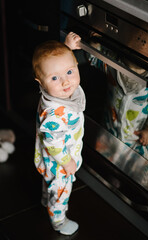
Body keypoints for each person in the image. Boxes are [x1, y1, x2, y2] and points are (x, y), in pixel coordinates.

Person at [33, 32, 85, 235]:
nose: (65, 82)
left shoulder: (52, 92)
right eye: (55, 78)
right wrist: (66, 161)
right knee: (61, 191)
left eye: (70, 72)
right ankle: (59, 220)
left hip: (49, 159)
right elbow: (54, 144)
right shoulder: (55, 113)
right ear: (41, 82)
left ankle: (46, 198)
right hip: (59, 160)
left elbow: (59, 64)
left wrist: (67, 48)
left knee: (50, 183)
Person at [88, 33, 148, 164]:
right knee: (104, 162)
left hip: (136, 138)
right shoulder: (113, 63)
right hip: (110, 130)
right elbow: (94, 58)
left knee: (141, 170)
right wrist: (95, 40)